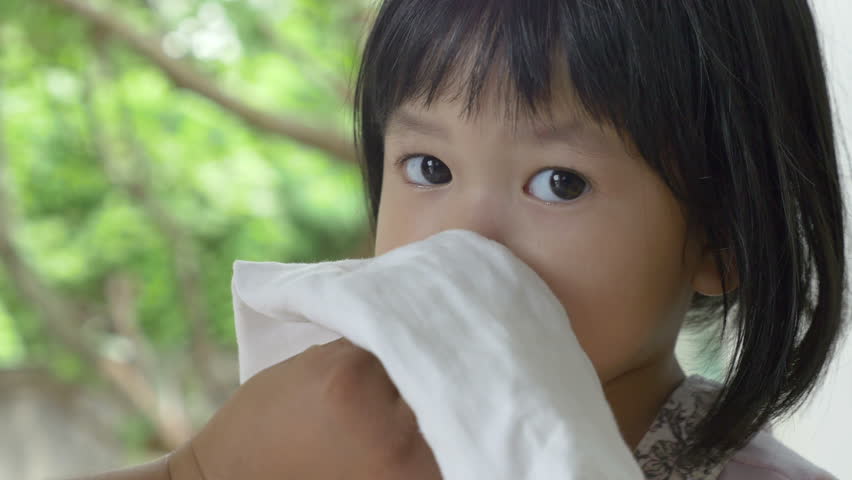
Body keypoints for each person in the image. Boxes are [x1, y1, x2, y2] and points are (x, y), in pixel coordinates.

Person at [83, 0, 845, 478]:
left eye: (559, 182)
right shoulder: (335, 440)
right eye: (429, 166)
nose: (465, 240)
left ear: (722, 235)